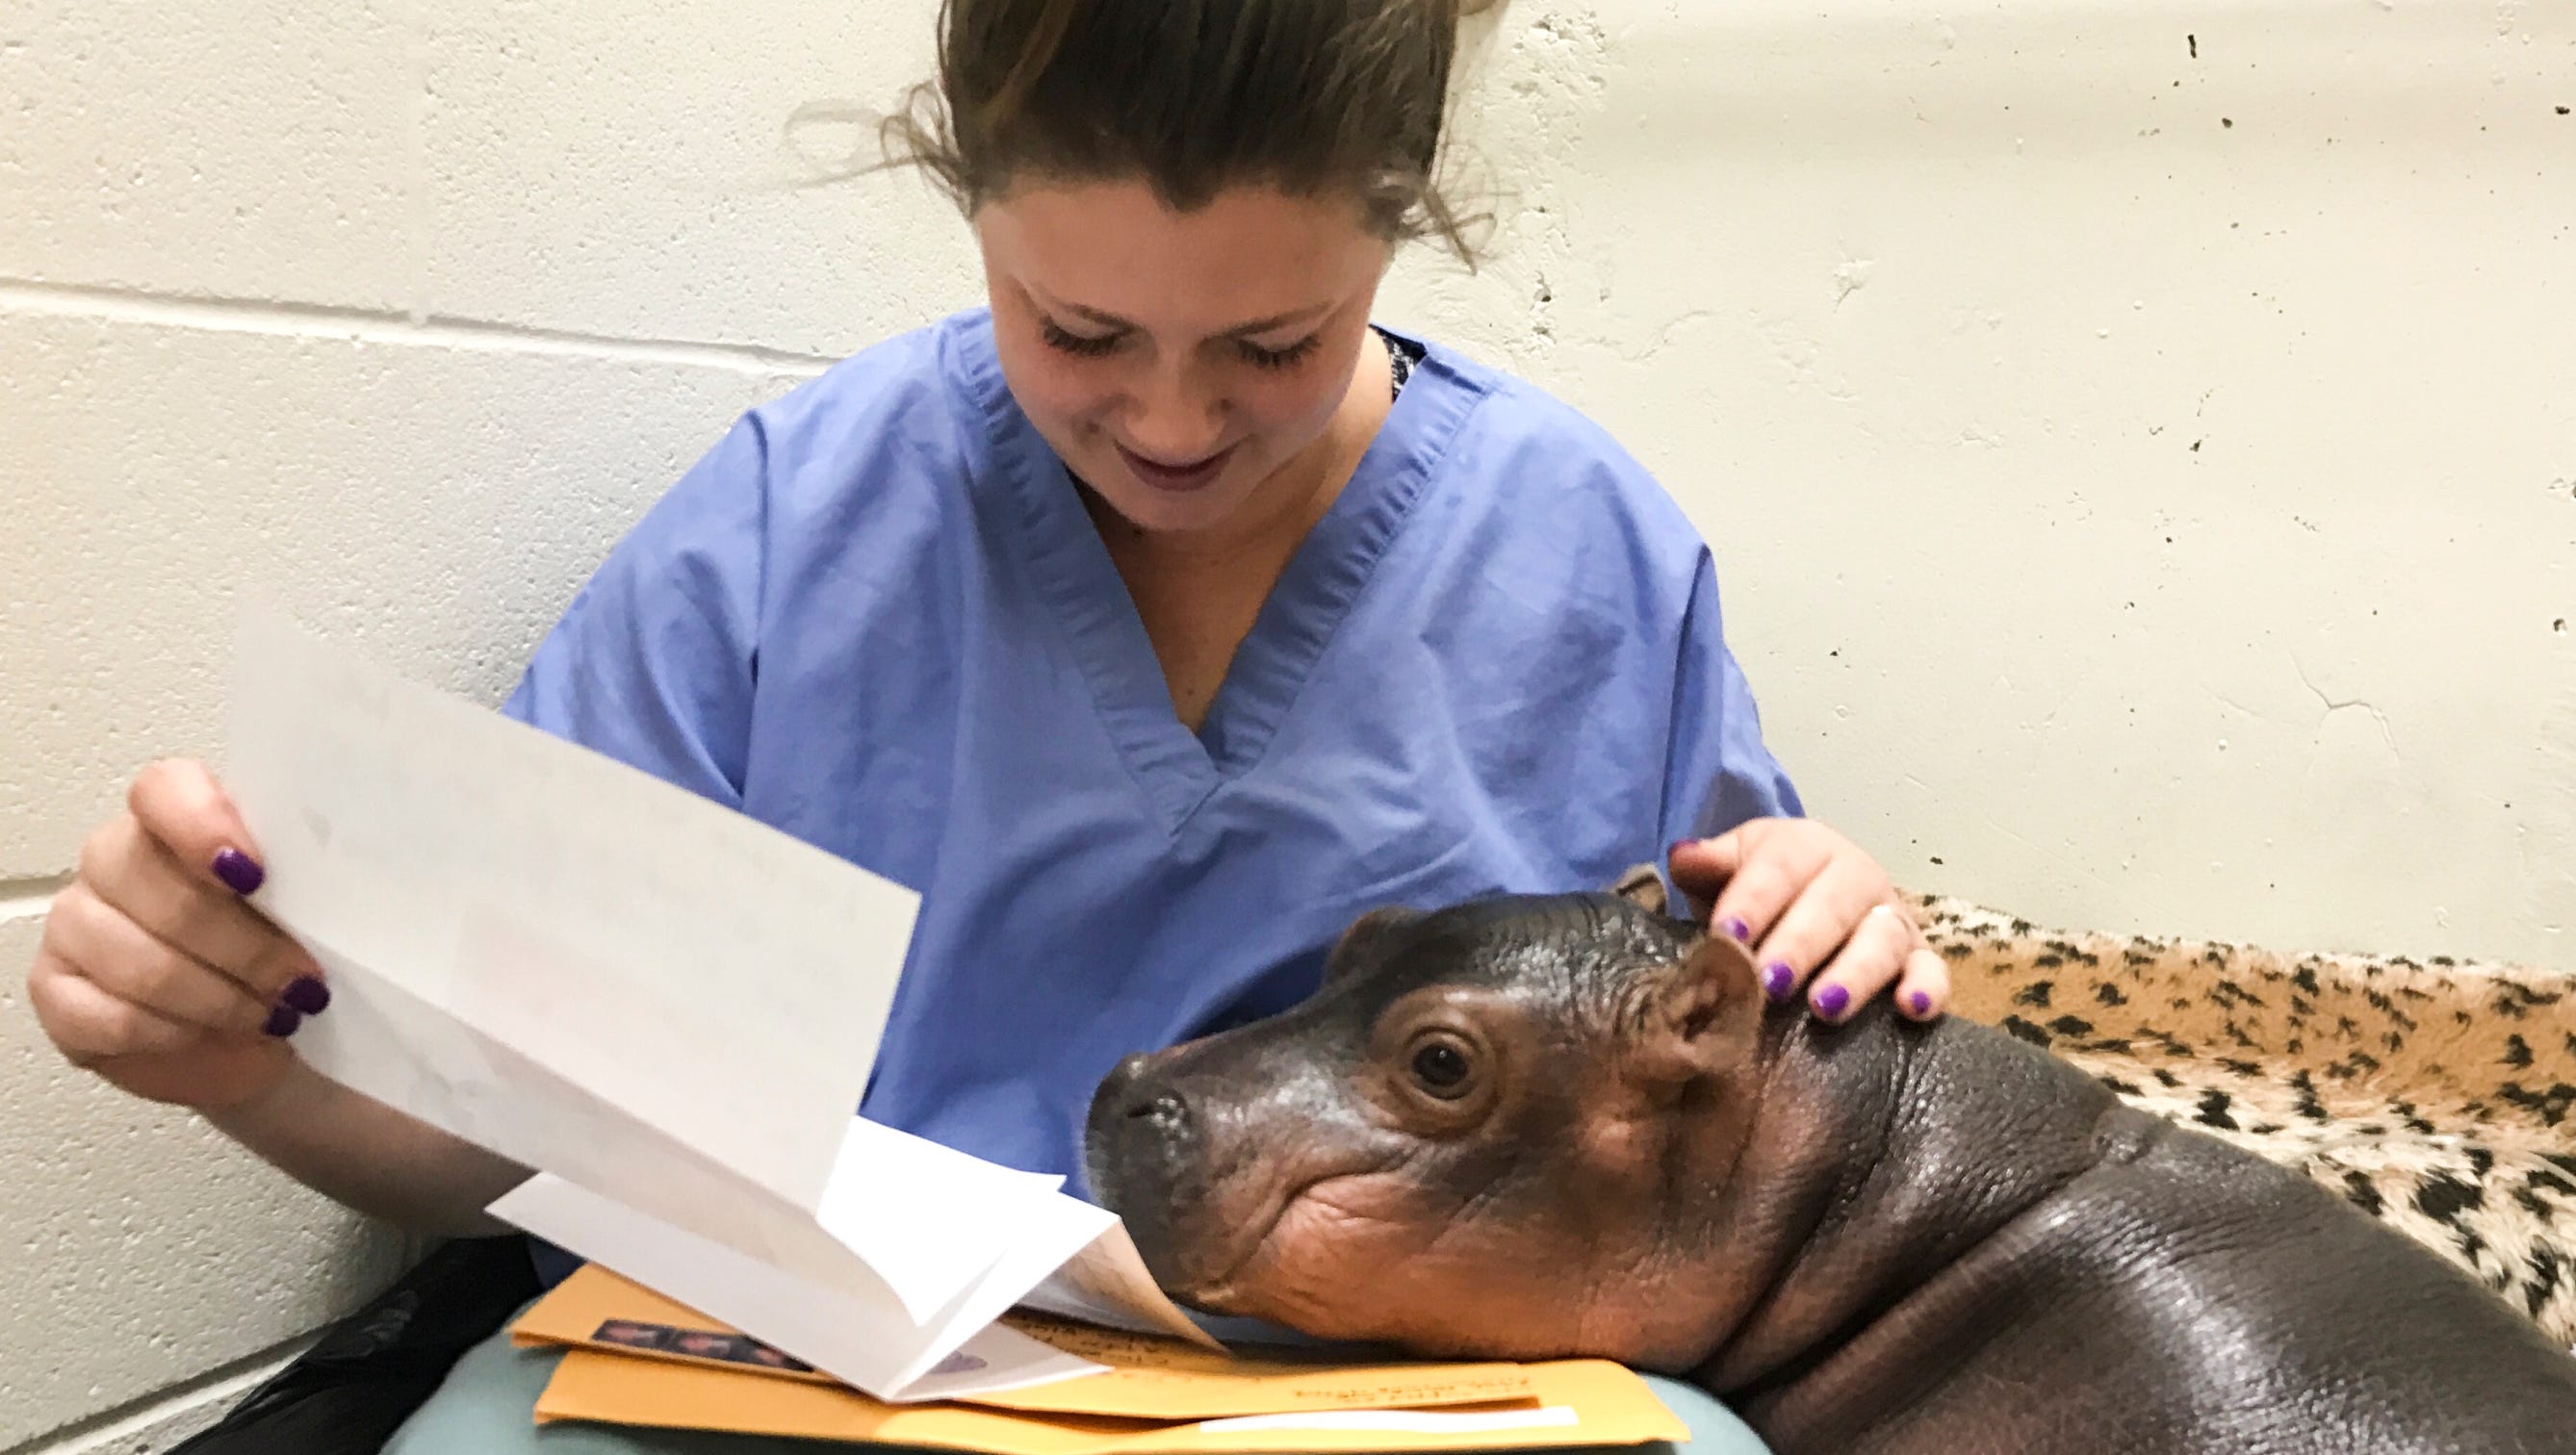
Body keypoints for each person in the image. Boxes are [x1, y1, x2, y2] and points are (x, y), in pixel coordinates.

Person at [23, 2, 1952, 1449]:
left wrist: (1826, 942)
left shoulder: (1585, 557)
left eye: (1273, 346)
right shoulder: (790, 533)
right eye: (1079, 332)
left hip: (1381, 1402)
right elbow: (494, 1130)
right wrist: (242, 1057)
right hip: (763, 1377)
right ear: (969, 209)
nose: (1175, 424)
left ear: (1398, 228)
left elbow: (1737, 1129)